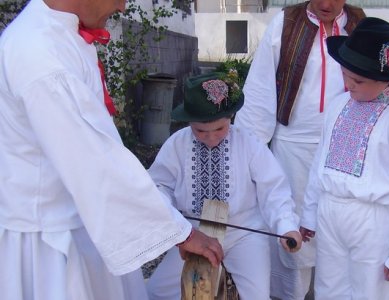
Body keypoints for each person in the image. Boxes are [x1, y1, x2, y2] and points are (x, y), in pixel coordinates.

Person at [0, 0, 223, 299]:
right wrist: (179, 232)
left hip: (83, 220)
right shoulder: (40, 53)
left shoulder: (58, 36)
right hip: (52, 244)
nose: (121, 8)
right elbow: (95, 162)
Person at [234, 0, 365, 298]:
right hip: (293, 142)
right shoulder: (286, 22)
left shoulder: (358, 22)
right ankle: (291, 294)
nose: (326, 4)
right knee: (293, 222)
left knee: (338, 221)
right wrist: (246, 151)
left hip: (345, 141)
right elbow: (260, 86)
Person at [299, 17, 389, 299]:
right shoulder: (337, 106)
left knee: (371, 292)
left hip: (374, 223)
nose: (349, 84)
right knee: (328, 288)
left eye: (358, 80)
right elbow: (319, 164)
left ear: (386, 80)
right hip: (330, 212)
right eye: (345, 75)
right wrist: (309, 213)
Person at [145, 72, 303, 300]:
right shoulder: (177, 144)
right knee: (156, 291)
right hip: (195, 233)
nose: (210, 138)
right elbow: (159, 185)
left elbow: (274, 189)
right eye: (200, 131)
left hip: (243, 232)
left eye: (219, 129)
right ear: (188, 122)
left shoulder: (249, 143)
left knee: (257, 295)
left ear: (231, 117)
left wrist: (286, 225)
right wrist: (175, 227)